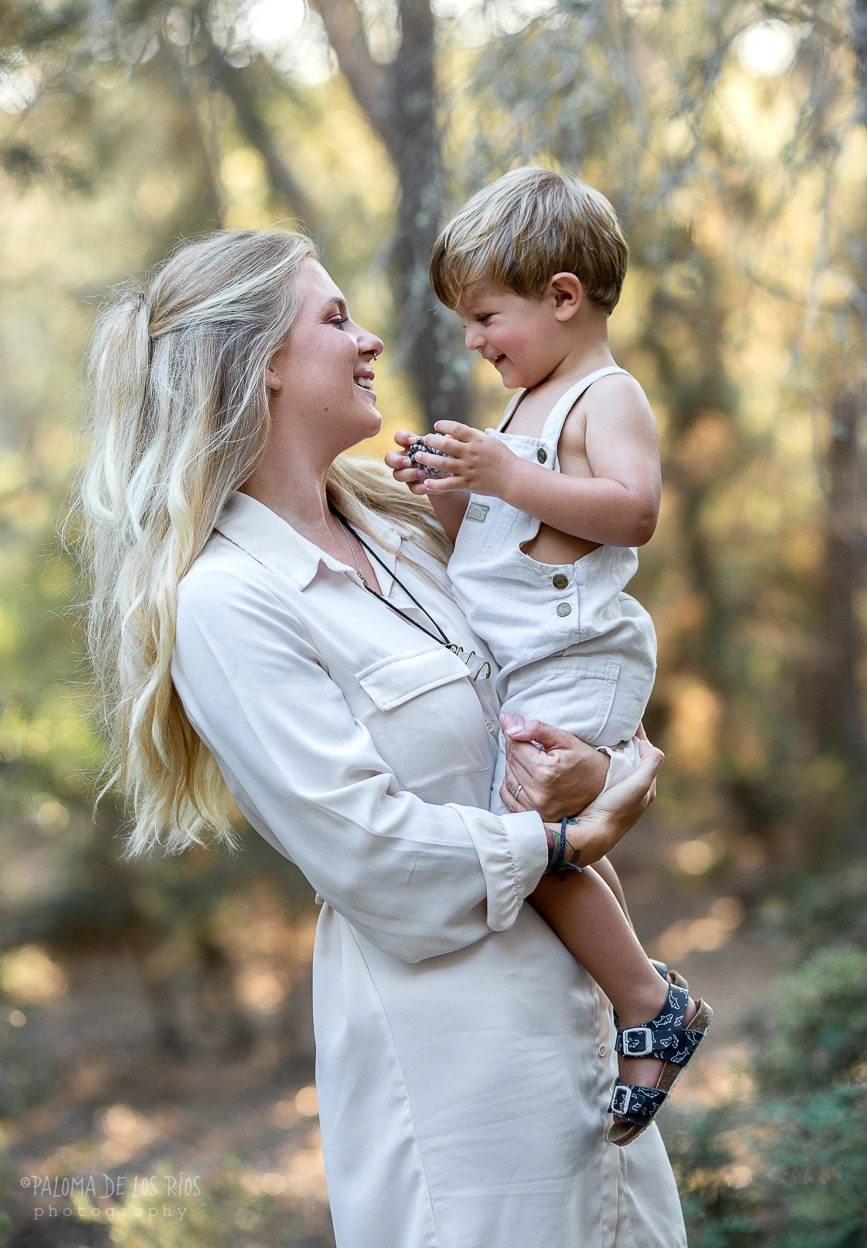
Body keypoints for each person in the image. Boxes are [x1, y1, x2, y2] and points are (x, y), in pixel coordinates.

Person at [79, 224, 688, 1246]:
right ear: (262, 365)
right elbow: (370, 850)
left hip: (590, 1042)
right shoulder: (229, 599)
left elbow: (551, 673)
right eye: (335, 317)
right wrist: (565, 842)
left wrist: (595, 770)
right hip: (459, 1067)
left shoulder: (400, 532)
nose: (368, 340)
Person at [386, 166, 711, 1144]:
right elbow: (482, 547)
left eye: (487, 317)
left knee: (532, 841)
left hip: (583, 653)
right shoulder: (523, 410)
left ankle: (649, 1002)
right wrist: (445, 484)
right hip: (530, 667)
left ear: (563, 296)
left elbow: (634, 511)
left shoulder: (603, 395)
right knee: (549, 840)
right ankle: (646, 993)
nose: (478, 342)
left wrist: (502, 473)